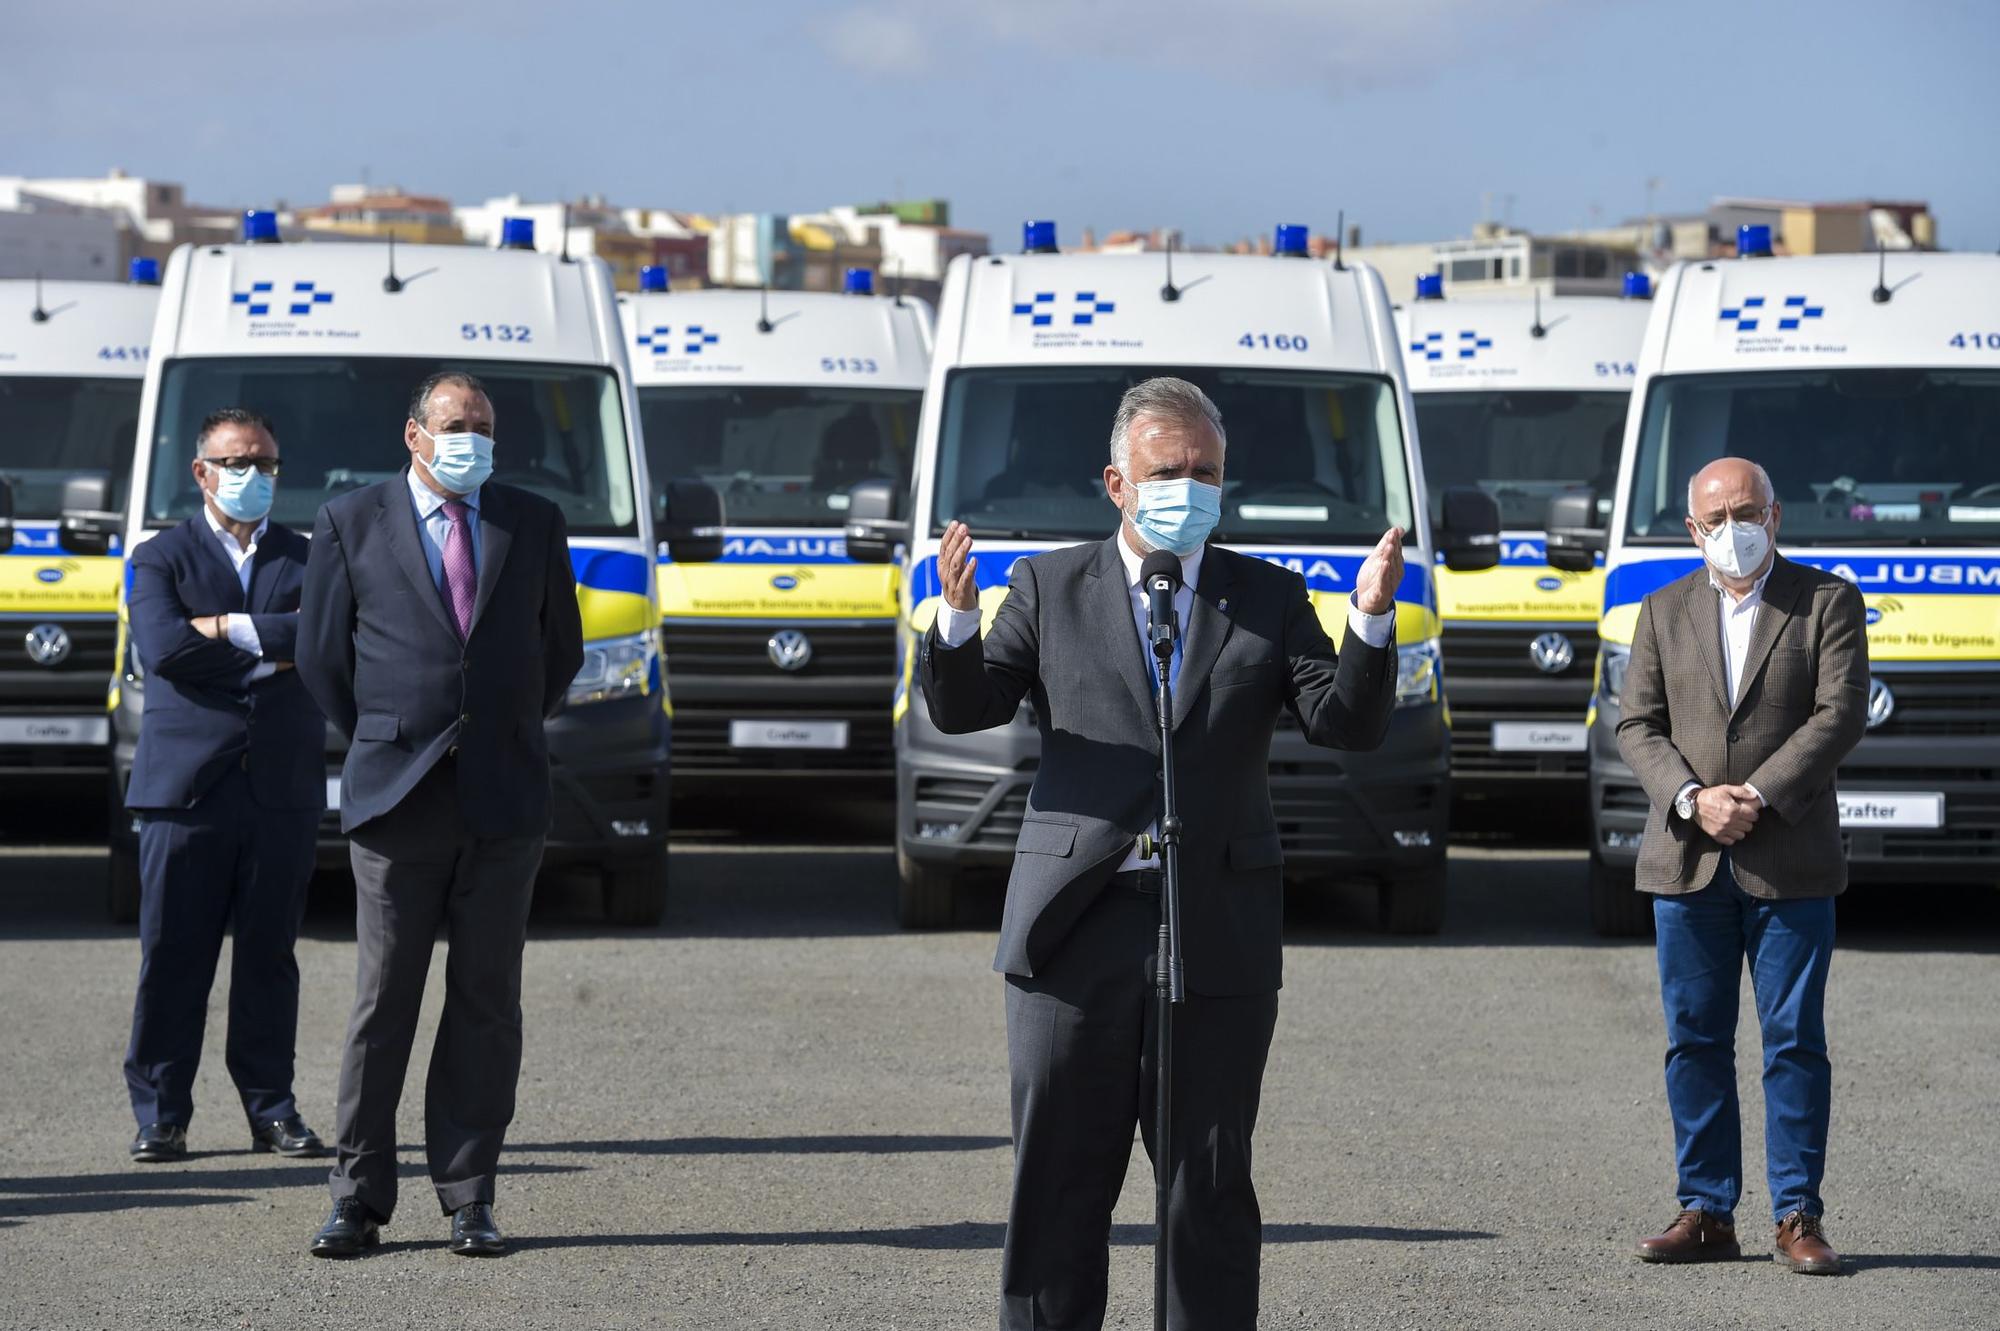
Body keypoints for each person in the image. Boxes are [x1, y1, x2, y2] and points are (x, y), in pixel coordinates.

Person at [922, 377, 1402, 1328]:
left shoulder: (1267, 595)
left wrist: (1371, 621)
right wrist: (957, 620)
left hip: (1213, 928)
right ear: (1117, 482)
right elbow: (964, 705)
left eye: (1206, 472)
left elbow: (1342, 721)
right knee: (1059, 1180)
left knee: (1207, 1187)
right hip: (1073, 930)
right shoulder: (1048, 586)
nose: (1189, 486)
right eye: (1167, 471)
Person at [296, 371, 584, 1258]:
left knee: (487, 1003)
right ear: (415, 434)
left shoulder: (531, 522)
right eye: (458, 424)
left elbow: (558, 655)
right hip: (396, 800)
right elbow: (320, 659)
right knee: (384, 1002)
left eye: (486, 427)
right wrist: (392, 736)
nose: (474, 440)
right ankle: (357, 1196)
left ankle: (470, 1193)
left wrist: (493, 734)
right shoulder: (351, 521)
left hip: (503, 801)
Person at [1617, 456, 1868, 1275]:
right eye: (1717, 517)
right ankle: (1705, 1208)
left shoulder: (1827, 601)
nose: (1735, 528)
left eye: (1748, 511)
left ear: (1777, 514)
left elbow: (1839, 713)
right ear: (1693, 529)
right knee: (1694, 1039)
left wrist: (1754, 794)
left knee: (1794, 1040)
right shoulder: (1659, 610)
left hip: (1788, 856)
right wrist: (1694, 799)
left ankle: (1798, 1213)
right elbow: (1636, 726)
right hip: (1686, 862)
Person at [122, 408, 325, 1163]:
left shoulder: (312, 556)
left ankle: (271, 1107)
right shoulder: (159, 556)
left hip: (280, 787)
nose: (254, 477)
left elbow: (326, 636)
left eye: (267, 464)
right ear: (202, 471)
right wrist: (269, 645)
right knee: (173, 954)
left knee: (270, 955)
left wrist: (224, 628)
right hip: (185, 791)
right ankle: (161, 1113)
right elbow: (164, 647)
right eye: (238, 463)